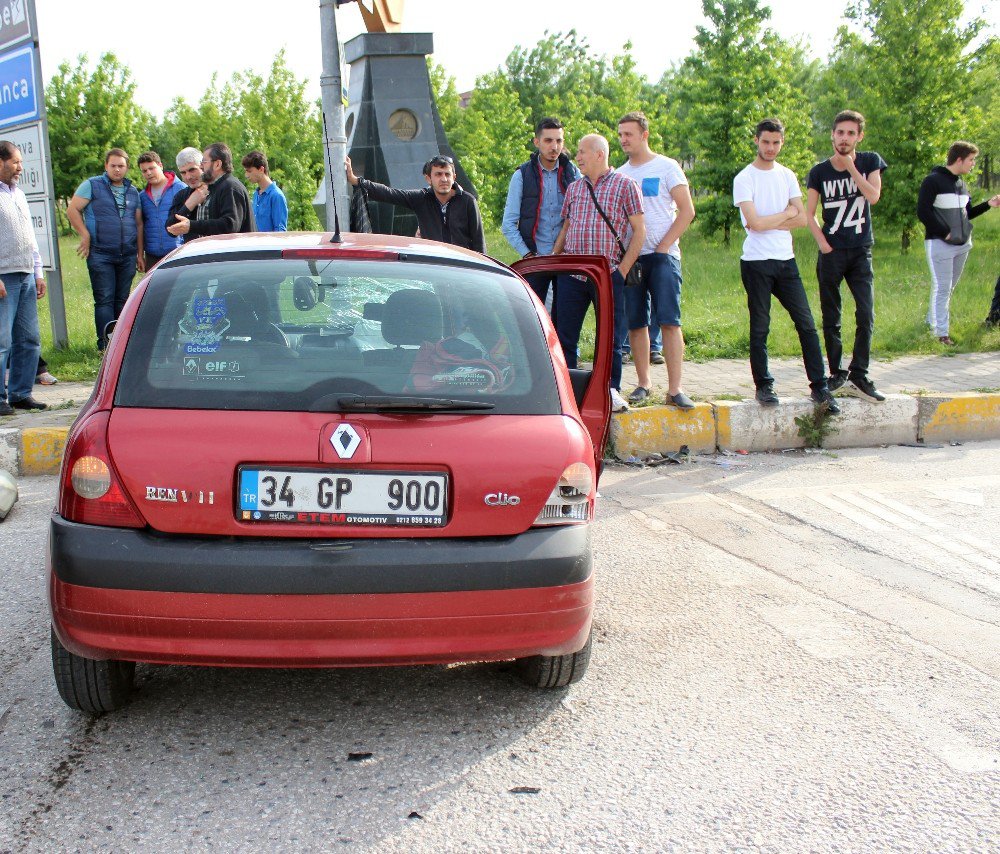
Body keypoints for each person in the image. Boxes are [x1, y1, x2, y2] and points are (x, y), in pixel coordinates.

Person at [733, 119, 839, 414]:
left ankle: (820, 387)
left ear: (782, 142)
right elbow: (753, 223)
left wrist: (775, 219)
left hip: (786, 261)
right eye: (766, 141)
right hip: (756, 262)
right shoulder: (745, 178)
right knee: (760, 327)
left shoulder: (787, 175)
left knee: (806, 323)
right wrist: (786, 214)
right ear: (756, 140)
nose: (770, 147)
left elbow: (803, 219)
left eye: (776, 142)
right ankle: (764, 385)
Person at [553, 133, 645, 413]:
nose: (577, 157)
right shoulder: (575, 188)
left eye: (581, 152)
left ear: (599, 154)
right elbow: (566, 228)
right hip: (572, 273)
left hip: (607, 275)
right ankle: (567, 393)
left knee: (610, 338)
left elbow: (639, 231)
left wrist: (621, 271)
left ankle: (610, 391)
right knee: (564, 335)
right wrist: (553, 261)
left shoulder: (626, 186)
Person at [616, 111, 696, 409]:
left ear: (644, 135)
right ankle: (643, 383)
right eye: (621, 134)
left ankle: (675, 389)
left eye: (629, 134)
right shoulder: (621, 173)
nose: (624, 139)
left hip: (663, 257)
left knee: (669, 322)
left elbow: (687, 211)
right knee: (636, 323)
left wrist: (663, 247)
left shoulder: (667, 167)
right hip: (633, 259)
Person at [807, 110, 888, 402]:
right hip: (832, 252)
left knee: (866, 313)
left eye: (851, 133)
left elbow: (873, 196)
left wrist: (852, 169)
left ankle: (860, 373)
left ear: (859, 136)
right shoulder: (819, 171)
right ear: (832, 134)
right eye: (840, 132)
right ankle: (837, 371)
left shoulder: (869, 162)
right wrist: (823, 244)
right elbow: (810, 213)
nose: (844, 138)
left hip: (860, 250)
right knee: (832, 315)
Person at [916, 141, 1000, 344]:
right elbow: (923, 212)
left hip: (963, 245)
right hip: (939, 243)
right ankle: (941, 334)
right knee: (942, 287)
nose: (973, 164)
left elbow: (966, 214)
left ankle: (932, 321)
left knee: (947, 287)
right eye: (971, 160)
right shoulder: (932, 181)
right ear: (959, 159)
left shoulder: (961, 184)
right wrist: (944, 233)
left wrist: (988, 205)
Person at [501, 117, 581, 323]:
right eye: (548, 141)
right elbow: (508, 224)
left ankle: (565, 356)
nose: (554, 147)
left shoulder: (574, 173)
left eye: (559, 141)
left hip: (566, 259)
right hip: (536, 258)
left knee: (566, 321)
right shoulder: (522, 175)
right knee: (532, 320)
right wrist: (528, 255)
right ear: (536, 142)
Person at [67, 148, 144, 351]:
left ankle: (120, 346)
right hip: (101, 253)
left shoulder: (133, 191)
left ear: (127, 167)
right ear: (106, 166)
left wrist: (139, 253)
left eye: (121, 166)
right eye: (113, 166)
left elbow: (138, 224)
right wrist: (85, 234)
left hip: (127, 254)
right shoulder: (91, 185)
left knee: (124, 300)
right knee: (104, 300)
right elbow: (72, 209)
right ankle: (105, 345)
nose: (117, 170)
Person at [345, 154, 485, 252]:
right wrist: (356, 180)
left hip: (463, 266)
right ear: (428, 178)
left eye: (447, 174)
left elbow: (479, 241)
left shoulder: (468, 201)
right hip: (434, 266)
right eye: (438, 174)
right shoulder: (421, 198)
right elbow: (390, 193)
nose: (444, 179)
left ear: (454, 177)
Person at [0, 140, 48, 414]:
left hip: (27, 274)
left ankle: (20, 393)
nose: (20, 167)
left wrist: (38, 272)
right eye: (15, 162)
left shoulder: (18, 193)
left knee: (29, 338)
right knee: (2, 341)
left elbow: (30, 238)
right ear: (0, 162)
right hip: (4, 277)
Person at [166, 142, 254, 239]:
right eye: (183, 172)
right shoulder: (182, 195)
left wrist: (191, 226)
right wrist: (189, 205)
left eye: (192, 170)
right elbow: (170, 229)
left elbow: (230, 225)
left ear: (217, 164)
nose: (188, 176)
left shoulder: (230, 187)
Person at [137, 150, 185, 269]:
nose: (148, 173)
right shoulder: (142, 196)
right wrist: (140, 255)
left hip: (178, 252)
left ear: (160, 165)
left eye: (151, 168)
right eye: (144, 171)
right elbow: (140, 226)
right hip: (152, 255)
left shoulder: (181, 189)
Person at [242, 150, 288, 232]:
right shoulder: (256, 194)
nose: (246, 175)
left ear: (261, 169)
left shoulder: (276, 196)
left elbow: (280, 231)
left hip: (269, 244)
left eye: (249, 171)